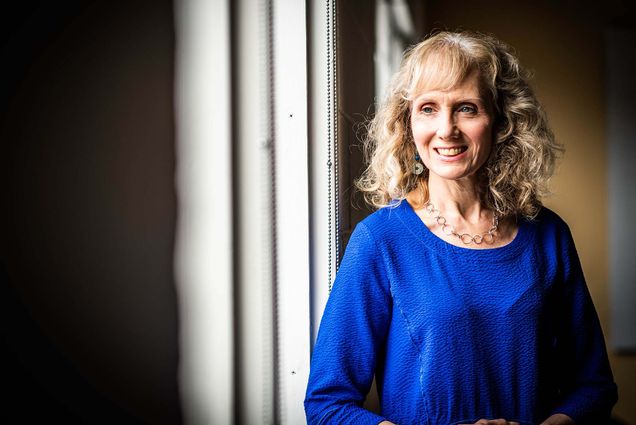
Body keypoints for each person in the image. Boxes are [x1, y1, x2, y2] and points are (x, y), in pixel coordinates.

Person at [304, 31, 617, 425]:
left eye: (467, 108)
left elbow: (594, 388)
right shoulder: (380, 241)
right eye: (428, 108)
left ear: (502, 121)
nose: (446, 129)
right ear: (407, 122)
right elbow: (327, 406)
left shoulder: (548, 236)